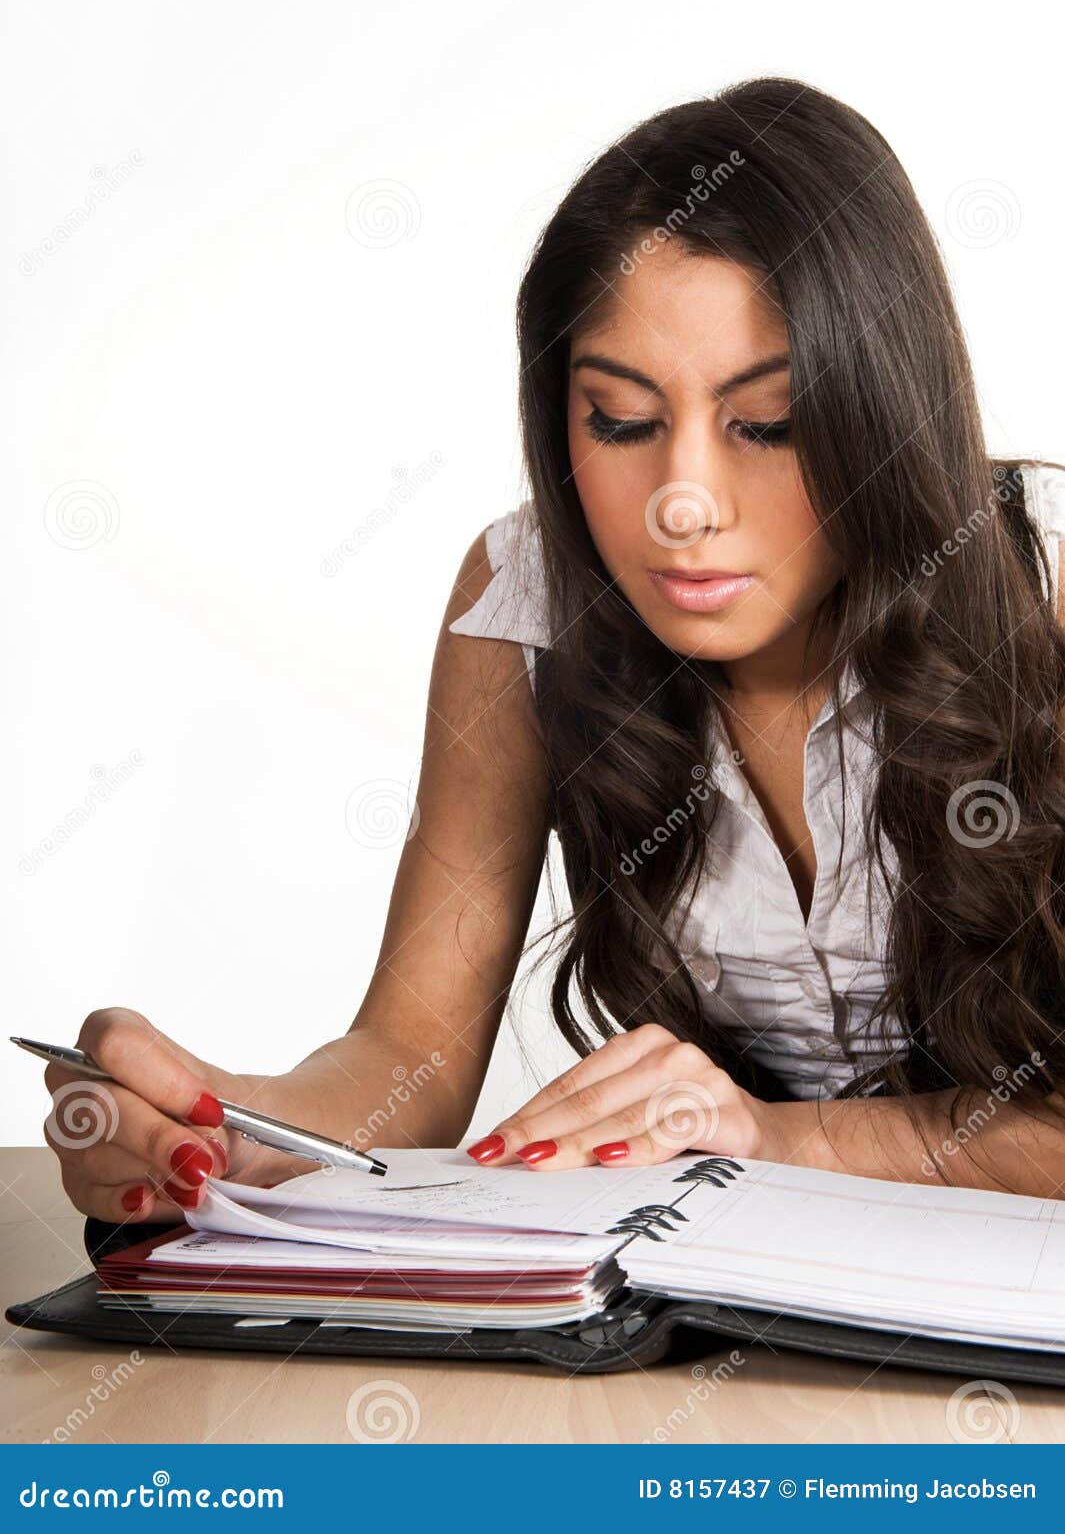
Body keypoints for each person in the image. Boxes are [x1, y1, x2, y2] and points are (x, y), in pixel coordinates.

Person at [41, 76, 1065, 1223]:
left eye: (765, 424)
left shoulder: (1045, 592)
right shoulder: (525, 599)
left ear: (884, 410)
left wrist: (778, 1136)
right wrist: (238, 1128)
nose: (681, 501)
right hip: (734, 1321)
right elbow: (407, 1059)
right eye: (620, 419)